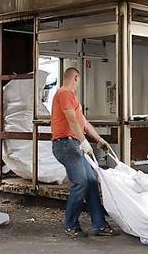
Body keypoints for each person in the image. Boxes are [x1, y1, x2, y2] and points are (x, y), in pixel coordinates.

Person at [50, 67, 117, 238]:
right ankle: (71, 225)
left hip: (73, 144)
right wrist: (83, 141)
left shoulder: (72, 98)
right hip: (66, 144)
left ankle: (100, 224)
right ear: (76, 78)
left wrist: (99, 140)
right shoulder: (64, 93)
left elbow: (84, 123)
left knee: (91, 182)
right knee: (81, 182)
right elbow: (71, 120)